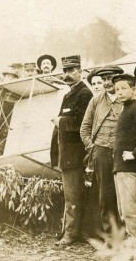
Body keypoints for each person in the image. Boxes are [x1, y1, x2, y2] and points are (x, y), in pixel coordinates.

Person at [51, 55, 94, 246]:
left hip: (76, 155)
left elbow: (83, 124)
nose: (67, 74)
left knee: (73, 195)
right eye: (65, 71)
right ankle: (73, 231)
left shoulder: (84, 94)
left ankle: (71, 234)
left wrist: (59, 121)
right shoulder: (71, 93)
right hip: (68, 154)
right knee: (73, 195)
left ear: (81, 72)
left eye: (71, 71)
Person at [80, 65, 124, 237]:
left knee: (125, 196)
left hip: (124, 154)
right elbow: (85, 128)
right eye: (104, 79)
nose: (107, 82)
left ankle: (129, 237)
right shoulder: (96, 100)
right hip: (101, 152)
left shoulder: (128, 98)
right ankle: (112, 237)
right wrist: (93, 150)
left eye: (110, 78)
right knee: (106, 197)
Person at [112, 73, 136, 261]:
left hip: (131, 168)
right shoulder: (126, 109)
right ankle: (132, 248)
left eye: (123, 88)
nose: (119, 92)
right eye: (117, 89)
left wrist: (135, 153)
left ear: (134, 89)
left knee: (130, 210)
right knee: (123, 210)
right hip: (120, 167)